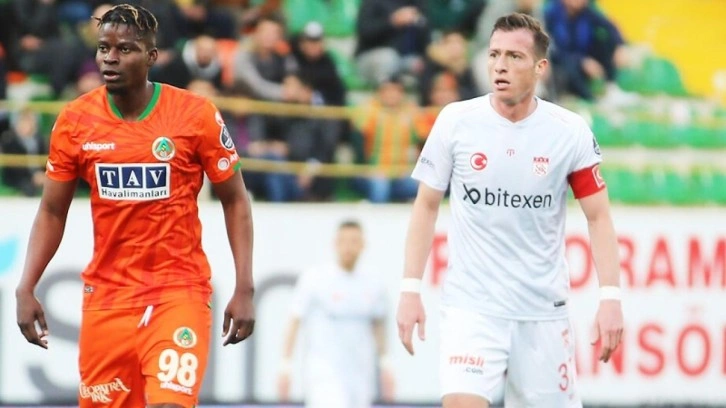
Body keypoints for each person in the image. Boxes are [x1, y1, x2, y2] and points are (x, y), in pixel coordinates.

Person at [15, 4, 255, 408]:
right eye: (103, 48)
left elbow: (236, 200)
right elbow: (53, 210)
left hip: (177, 291)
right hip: (108, 298)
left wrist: (244, 285)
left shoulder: (195, 115)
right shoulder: (75, 121)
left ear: (151, 57)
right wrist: (27, 285)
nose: (110, 58)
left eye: (124, 49)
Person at [396, 13, 623, 408]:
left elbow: (598, 217)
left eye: (515, 57)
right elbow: (426, 205)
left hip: (542, 312)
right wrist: (410, 289)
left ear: (540, 67)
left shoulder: (568, 131)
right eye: (494, 54)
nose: (500, 65)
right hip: (472, 308)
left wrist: (611, 298)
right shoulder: (456, 122)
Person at [278, 220, 395, 408]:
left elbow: (378, 324)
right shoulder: (315, 278)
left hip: (360, 373)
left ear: (363, 245)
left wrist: (385, 363)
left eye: (354, 241)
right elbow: (295, 320)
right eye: (344, 241)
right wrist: (286, 365)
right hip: (324, 372)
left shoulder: (374, 283)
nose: (348, 247)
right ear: (335, 243)